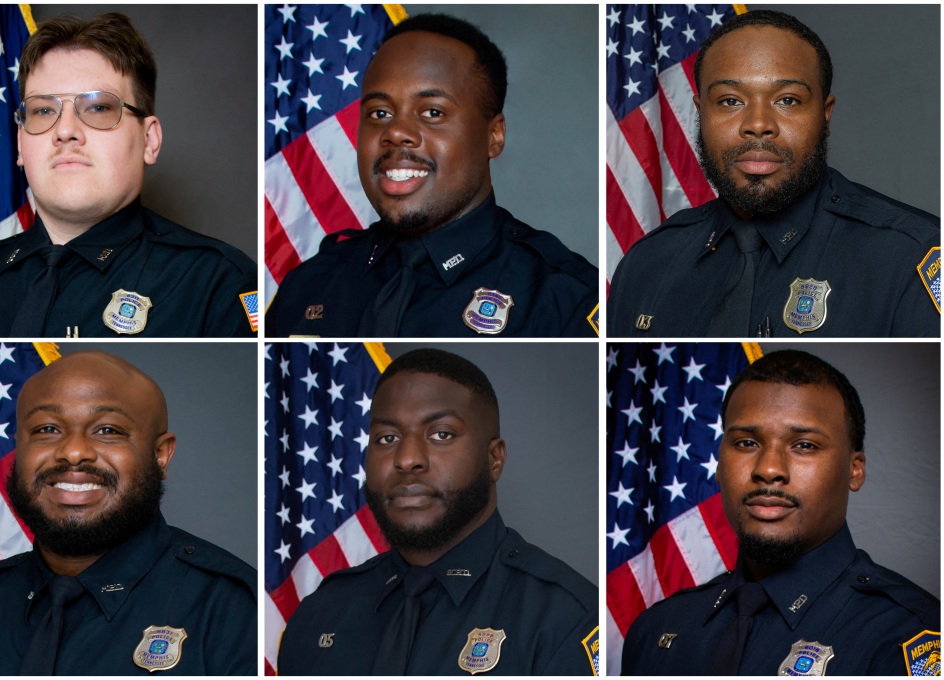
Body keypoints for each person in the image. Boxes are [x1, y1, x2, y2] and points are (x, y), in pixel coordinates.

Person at [607, 10, 940, 337]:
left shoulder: (910, 256)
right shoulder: (647, 265)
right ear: (700, 114)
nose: (757, 125)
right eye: (730, 101)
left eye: (788, 100)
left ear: (825, 116)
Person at [0, 13, 258, 338]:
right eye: (43, 111)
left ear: (149, 140)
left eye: (98, 108)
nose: (65, 130)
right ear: (20, 145)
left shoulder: (219, 284)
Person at [0, 351, 257, 675]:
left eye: (108, 430)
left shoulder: (233, 611)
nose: (72, 452)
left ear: (160, 455)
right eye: (47, 429)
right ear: (18, 448)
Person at [265, 14, 599, 338]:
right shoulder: (307, 285)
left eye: (433, 112)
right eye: (379, 113)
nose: (395, 132)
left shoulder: (564, 300)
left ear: (493, 136)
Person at [277, 348, 599, 674]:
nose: (406, 459)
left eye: (441, 435)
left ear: (494, 459)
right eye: (387, 437)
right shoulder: (319, 614)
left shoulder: (562, 618)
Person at [622, 350, 940, 675]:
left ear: (854, 470)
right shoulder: (655, 630)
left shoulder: (907, 633)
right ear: (718, 464)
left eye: (804, 445)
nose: (769, 469)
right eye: (747, 443)